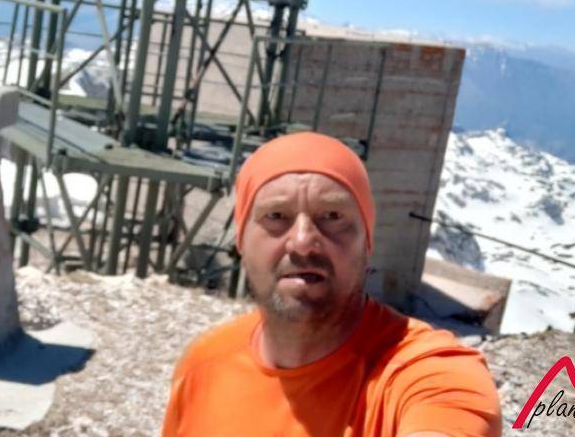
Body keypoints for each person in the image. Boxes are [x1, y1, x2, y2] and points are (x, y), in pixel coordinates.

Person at [162, 132, 501, 436]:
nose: (302, 241)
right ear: (241, 241)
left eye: (332, 216)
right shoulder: (204, 367)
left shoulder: (426, 372)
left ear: (367, 242)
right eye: (276, 216)